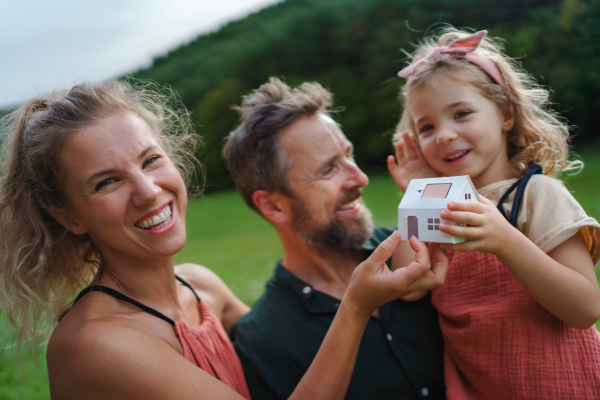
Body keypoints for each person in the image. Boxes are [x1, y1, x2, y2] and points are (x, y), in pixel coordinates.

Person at [0, 79, 448, 399]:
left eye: (151, 160)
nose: (148, 191)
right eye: (106, 183)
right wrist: (355, 306)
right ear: (68, 216)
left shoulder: (201, 287)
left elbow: (283, 344)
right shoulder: (95, 344)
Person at [387, 27, 600, 399]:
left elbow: (584, 309)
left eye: (462, 113)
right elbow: (407, 287)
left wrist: (506, 241)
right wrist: (418, 196)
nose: (445, 135)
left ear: (505, 114)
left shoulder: (536, 194)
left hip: (561, 385)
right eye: (427, 127)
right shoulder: (439, 205)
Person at [224, 77, 447, 400]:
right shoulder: (261, 340)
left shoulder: (420, 249)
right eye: (329, 169)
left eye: (349, 154)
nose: (360, 178)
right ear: (273, 205)